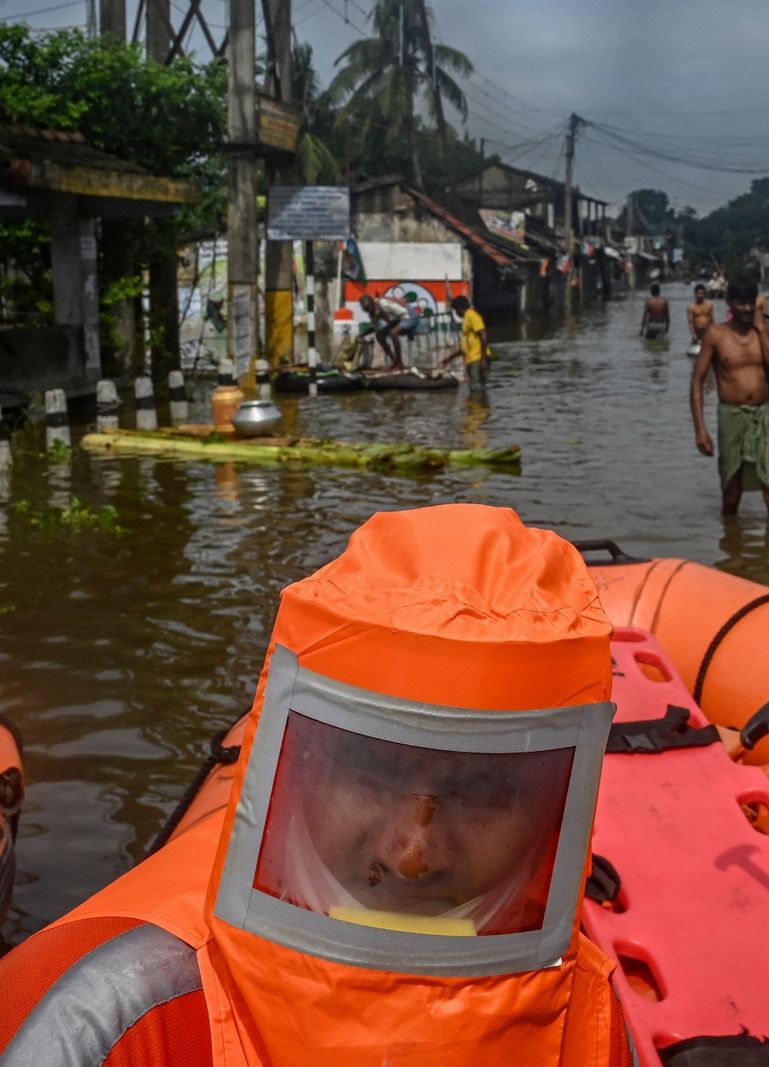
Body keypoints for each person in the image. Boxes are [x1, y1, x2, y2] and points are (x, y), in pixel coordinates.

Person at [0, 505, 629, 1066]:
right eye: (373, 770)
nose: (411, 855)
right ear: (296, 766)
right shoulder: (108, 1020)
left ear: (557, 810)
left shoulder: (591, 1018)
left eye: (487, 791)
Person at [691, 275, 769, 525]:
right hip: (731, 415)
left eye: (750, 303)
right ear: (729, 303)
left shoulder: (765, 330)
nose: (746, 309)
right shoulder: (716, 334)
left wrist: (760, 330)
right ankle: (732, 552)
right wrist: (701, 430)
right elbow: (697, 381)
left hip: (762, 416)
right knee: (732, 494)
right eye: (740, 303)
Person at [442, 294, 489, 390]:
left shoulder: (472, 315)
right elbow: (465, 347)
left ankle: (478, 404)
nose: (456, 313)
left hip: (477, 358)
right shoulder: (467, 318)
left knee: (476, 387)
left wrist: (483, 359)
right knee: (475, 386)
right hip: (472, 358)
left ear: (460, 308)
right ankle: (478, 403)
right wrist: (449, 358)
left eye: (455, 310)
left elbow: (483, 334)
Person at [359, 292, 412, 369]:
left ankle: (400, 363)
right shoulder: (373, 311)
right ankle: (395, 360)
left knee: (393, 333)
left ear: (372, 303)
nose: (368, 311)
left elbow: (404, 312)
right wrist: (362, 335)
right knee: (379, 335)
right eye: (366, 310)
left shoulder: (383, 303)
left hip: (408, 318)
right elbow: (373, 327)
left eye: (369, 309)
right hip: (396, 322)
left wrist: (401, 326)